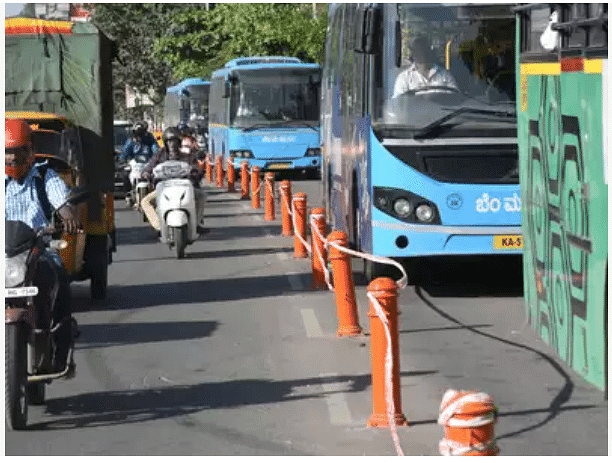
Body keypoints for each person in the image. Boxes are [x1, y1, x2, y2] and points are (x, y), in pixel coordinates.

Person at [5, 119, 81, 372]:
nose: (11, 159)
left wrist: (67, 215)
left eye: (16, 152)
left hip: (39, 250)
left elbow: (62, 201)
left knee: (57, 275)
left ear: (29, 151)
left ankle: (61, 350)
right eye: (6, 152)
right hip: (5, 254)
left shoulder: (45, 176)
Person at [140, 126, 206, 232]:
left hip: (184, 187)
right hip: (164, 188)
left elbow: (195, 167)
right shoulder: (159, 155)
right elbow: (149, 166)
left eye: (174, 141)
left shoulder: (187, 155)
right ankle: (158, 226)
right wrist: (145, 173)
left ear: (179, 142)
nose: (172, 144)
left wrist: (197, 173)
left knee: (201, 195)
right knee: (145, 201)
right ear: (165, 143)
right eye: (169, 141)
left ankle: (196, 224)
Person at [393, 35, 459, 98]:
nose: (422, 53)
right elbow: (399, 104)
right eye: (417, 50)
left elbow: (455, 98)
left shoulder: (445, 75)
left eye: (424, 50)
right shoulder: (404, 78)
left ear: (429, 52)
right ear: (413, 54)